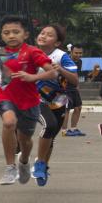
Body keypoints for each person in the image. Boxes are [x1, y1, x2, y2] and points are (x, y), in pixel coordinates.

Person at [0, 15, 56, 185]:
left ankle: (24, 161)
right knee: (9, 123)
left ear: (25, 34)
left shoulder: (33, 51)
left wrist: (32, 76)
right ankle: (10, 167)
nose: (11, 36)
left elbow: (52, 73)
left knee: (25, 140)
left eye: (16, 32)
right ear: (2, 35)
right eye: (6, 32)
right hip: (6, 95)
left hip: (29, 101)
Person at [35, 25, 78, 186]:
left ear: (57, 42)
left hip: (59, 100)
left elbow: (74, 80)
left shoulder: (61, 56)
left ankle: (44, 166)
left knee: (51, 135)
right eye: (42, 33)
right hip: (36, 98)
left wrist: (60, 69)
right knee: (49, 125)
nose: (44, 36)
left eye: (49, 35)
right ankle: (38, 162)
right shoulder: (31, 54)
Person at [62, 44, 86, 136]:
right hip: (64, 88)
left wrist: (77, 85)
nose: (78, 55)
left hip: (73, 87)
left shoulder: (79, 62)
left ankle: (73, 128)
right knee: (66, 109)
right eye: (76, 53)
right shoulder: (65, 61)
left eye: (80, 53)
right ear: (71, 52)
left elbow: (76, 75)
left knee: (78, 107)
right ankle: (64, 131)